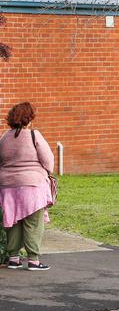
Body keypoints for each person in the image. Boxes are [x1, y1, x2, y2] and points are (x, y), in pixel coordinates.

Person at [0, 102, 54, 271]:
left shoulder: (4, 137)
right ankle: (33, 260)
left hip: (7, 186)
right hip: (31, 185)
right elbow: (48, 160)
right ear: (28, 118)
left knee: (13, 221)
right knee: (33, 223)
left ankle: (14, 259)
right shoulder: (34, 135)